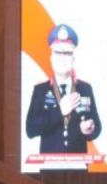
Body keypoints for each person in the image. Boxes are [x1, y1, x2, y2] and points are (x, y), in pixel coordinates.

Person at [25, 24, 102, 154]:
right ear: (51, 58)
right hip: (49, 164)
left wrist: (89, 130)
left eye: (67, 53)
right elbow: (31, 130)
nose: (62, 58)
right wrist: (60, 111)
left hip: (79, 163)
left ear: (73, 59)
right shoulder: (40, 90)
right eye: (58, 53)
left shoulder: (85, 89)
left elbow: (97, 127)